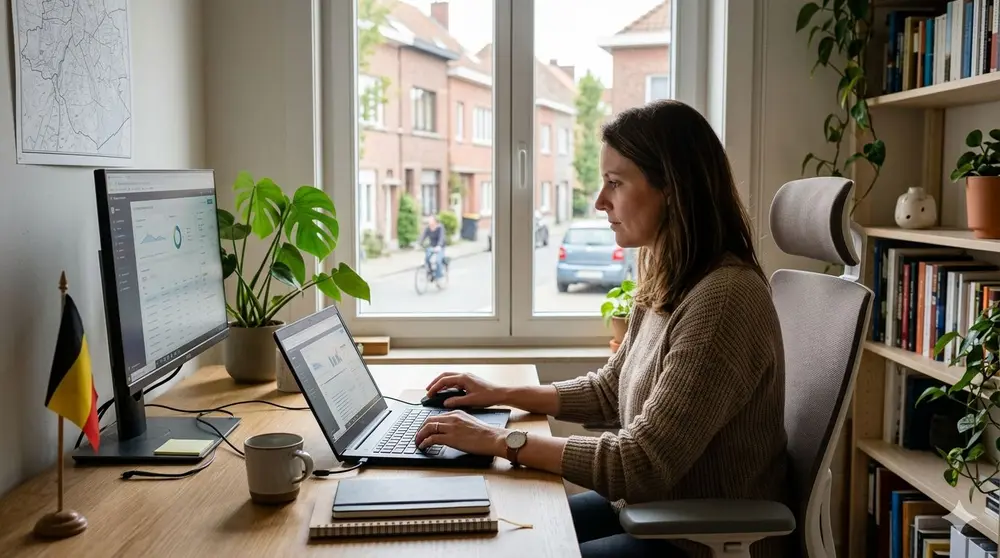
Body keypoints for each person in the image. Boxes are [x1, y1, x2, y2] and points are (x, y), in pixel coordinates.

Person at [414, 100, 790, 558]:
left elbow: (640, 463)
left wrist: (499, 441)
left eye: (615, 183)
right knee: (495, 534)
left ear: (671, 188)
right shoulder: (671, 273)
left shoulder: (725, 299)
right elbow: (611, 390)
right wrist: (499, 394)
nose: (600, 201)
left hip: (698, 537)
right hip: (654, 509)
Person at [420, 215, 446, 280]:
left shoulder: (440, 227)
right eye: (429, 220)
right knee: (427, 258)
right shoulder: (428, 228)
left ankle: (439, 275)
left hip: (440, 247)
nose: (429, 221)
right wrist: (420, 243)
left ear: (435, 221)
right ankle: (430, 272)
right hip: (432, 246)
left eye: (431, 220)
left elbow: (441, 237)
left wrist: (439, 245)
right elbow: (423, 236)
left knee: (438, 261)